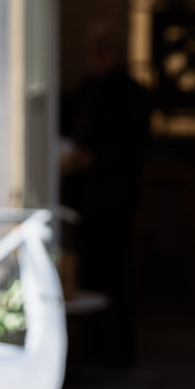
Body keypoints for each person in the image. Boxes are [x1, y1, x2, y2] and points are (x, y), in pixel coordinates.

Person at [60, 21, 152, 366]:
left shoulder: (133, 94)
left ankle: (120, 351)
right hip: (84, 199)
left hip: (115, 199)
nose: (99, 56)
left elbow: (134, 148)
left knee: (117, 273)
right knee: (88, 272)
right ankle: (93, 348)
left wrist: (96, 158)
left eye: (105, 48)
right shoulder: (85, 89)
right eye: (94, 49)